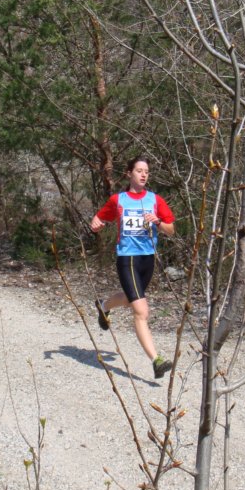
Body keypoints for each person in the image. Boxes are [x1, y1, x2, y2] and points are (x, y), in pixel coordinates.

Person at [91, 156, 176, 379]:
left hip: (148, 259)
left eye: (146, 171)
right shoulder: (118, 200)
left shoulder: (155, 200)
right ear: (129, 174)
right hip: (127, 258)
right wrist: (96, 224)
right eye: (139, 170)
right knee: (141, 310)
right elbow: (98, 220)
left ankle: (103, 305)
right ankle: (156, 360)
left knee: (131, 300)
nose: (143, 174)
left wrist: (157, 222)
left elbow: (171, 230)